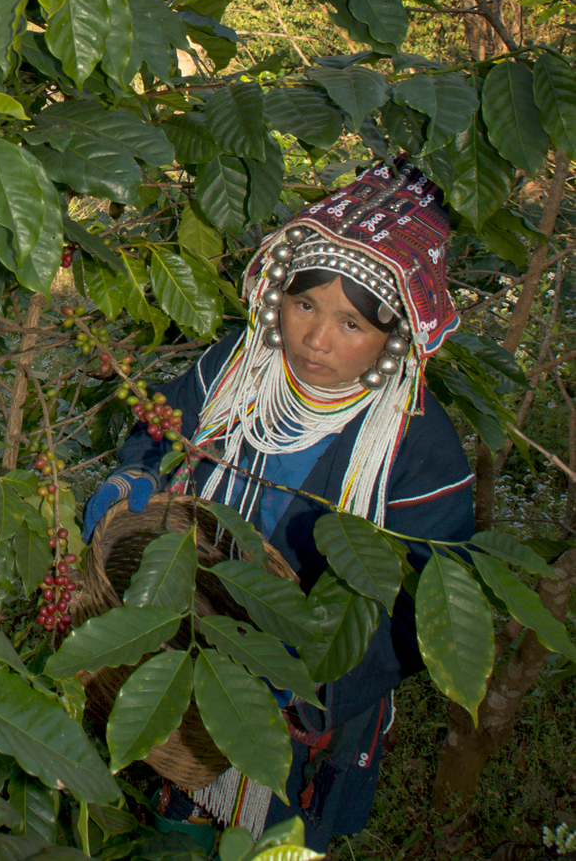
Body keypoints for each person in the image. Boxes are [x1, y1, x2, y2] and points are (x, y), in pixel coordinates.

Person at [81, 158, 474, 851]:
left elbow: (417, 608)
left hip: (303, 697)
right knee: (181, 808)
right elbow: (160, 426)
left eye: (351, 323)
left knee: (272, 828)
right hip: (193, 632)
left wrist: (304, 675)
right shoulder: (239, 365)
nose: (315, 339)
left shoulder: (416, 445)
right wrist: (131, 481)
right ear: (276, 298)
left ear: (393, 339)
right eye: (303, 305)